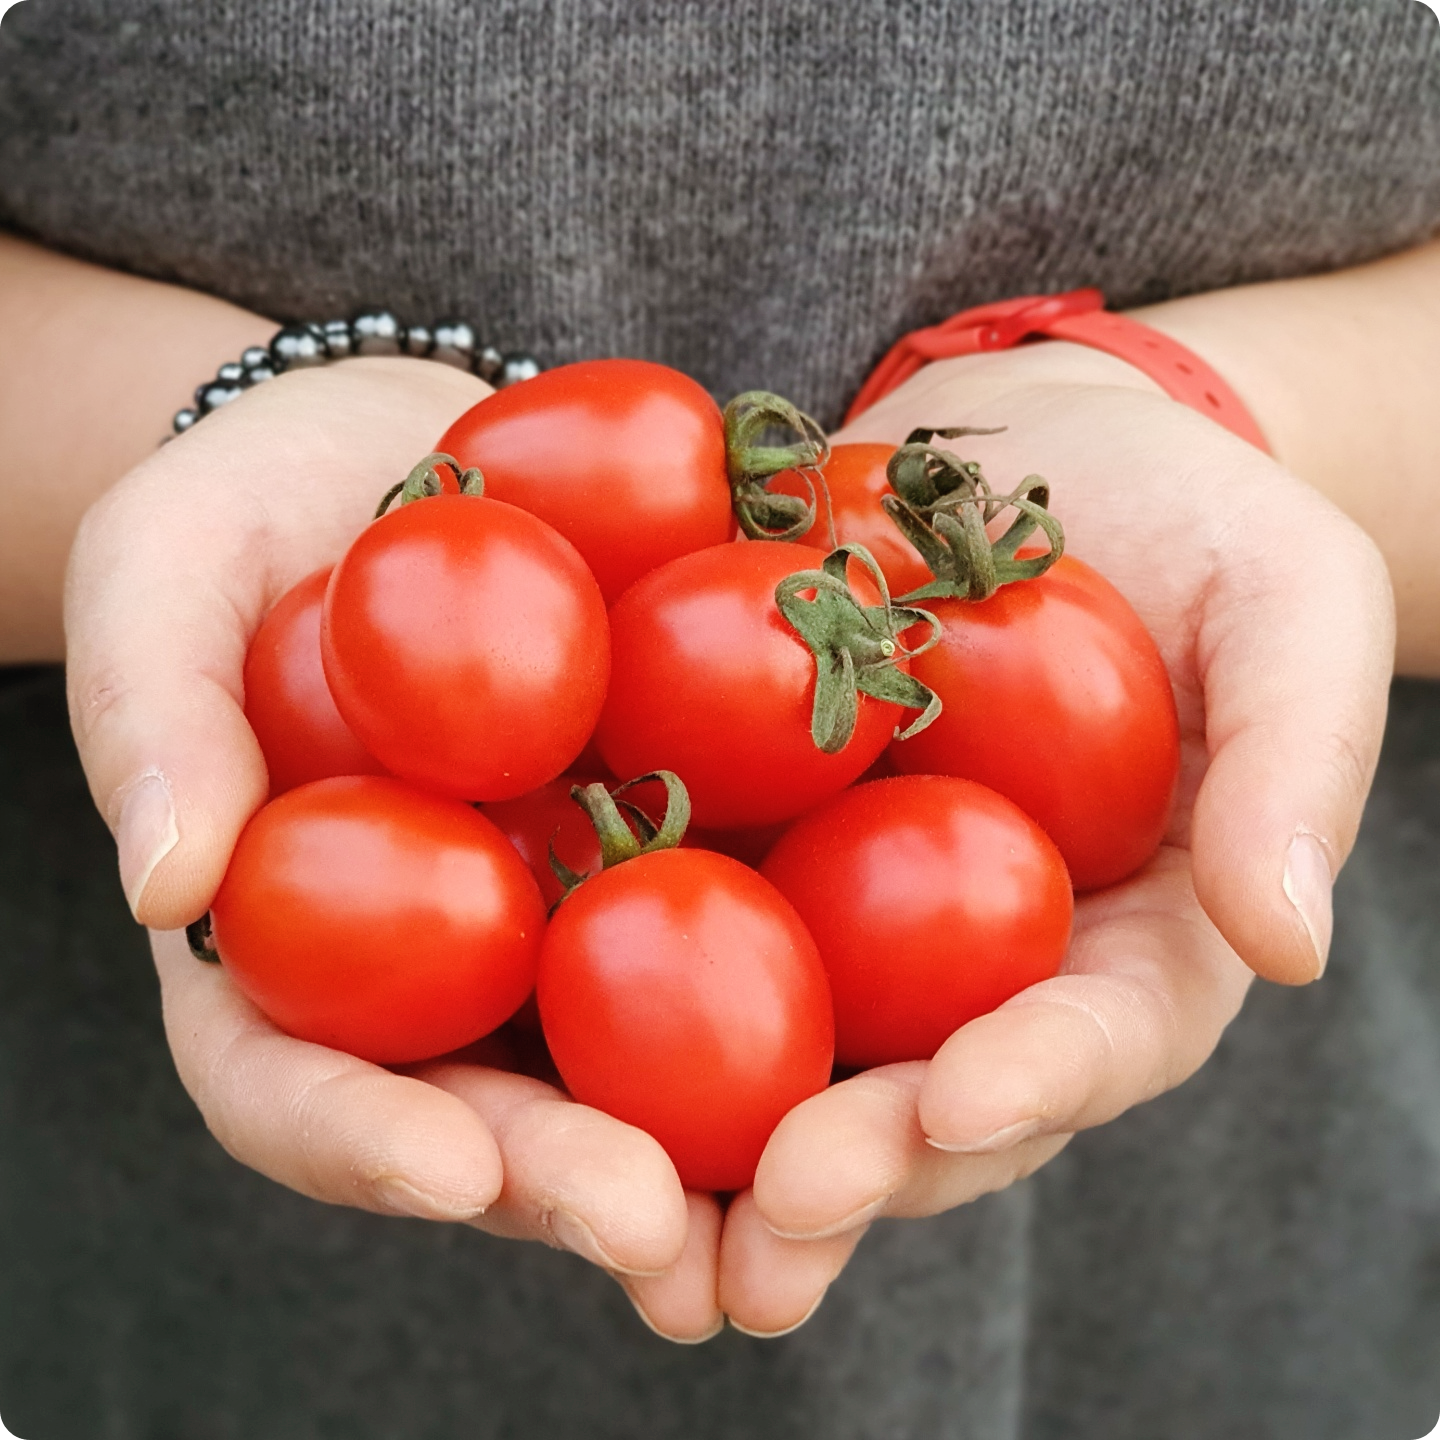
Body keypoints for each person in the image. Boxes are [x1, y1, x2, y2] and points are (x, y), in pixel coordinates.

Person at [0, 2, 1437, 1435]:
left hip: (1243, 1223)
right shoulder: (664, 651)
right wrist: (183, 450)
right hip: (165, 1214)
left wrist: (1219, 413)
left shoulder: (795, 658)